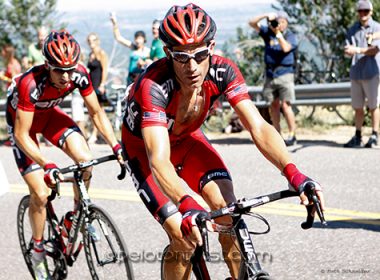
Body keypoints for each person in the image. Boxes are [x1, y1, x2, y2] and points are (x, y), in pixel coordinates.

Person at [120, 4, 324, 280]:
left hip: (188, 140)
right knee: (184, 236)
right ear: (168, 53)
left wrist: (293, 172)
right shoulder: (154, 85)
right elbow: (158, 159)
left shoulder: (223, 71)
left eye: (201, 54)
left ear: (212, 47)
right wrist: (184, 201)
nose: (192, 66)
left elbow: (259, 127)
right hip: (144, 152)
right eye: (181, 57)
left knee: (228, 214)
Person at [5, 30, 123, 279]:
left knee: (86, 161)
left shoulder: (78, 75)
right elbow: (23, 135)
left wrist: (116, 146)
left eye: (70, 69)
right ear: (47, 65)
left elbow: (96, 113)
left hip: (49, 118)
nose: (67, 76)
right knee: (41, 191)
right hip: (22, 126)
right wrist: (45, 163)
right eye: (59, 70)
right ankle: (37, 250)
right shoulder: (31, 84)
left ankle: (79, 218)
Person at [249, 11, 298, 146]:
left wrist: (278, 33)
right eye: (277, 21)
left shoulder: (290, 36)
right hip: (270, 73)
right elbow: (252, 23)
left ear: (286, 23)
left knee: (286, 105)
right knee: (273, 105)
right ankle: (277, 134)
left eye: (282, 22)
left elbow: (286, 48)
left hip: (285, 73)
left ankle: (292, 134)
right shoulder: (267, 33)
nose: (279, 24)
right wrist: (265, 15)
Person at [344, 0, 380, 148]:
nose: (363, 14)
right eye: (360, 11)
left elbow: (375, 50)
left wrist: (358, 50)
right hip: (356, 73)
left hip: (371, 72)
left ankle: (374, 135)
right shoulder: (352, 29)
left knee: (373, 105)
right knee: (358, 107)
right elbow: (347, 49)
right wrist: (348, 51)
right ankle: (358, 135)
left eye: (366, 11)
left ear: (370, 12)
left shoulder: (377, 28)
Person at [110, 13, 151, 85]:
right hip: (130, 78)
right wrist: (114, 24)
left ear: (144, 39)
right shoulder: (133, 47)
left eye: (140, 38)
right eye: (136, 38)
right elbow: (119, 38)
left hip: (141, 78)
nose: (138, 41)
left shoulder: (147, 51)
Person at [86, 32, 109, 144]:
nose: (91, 42)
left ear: (97, 41)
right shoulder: (91, 55)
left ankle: (96, 134)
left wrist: (102, 84)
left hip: (98, 85)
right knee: (94, 110)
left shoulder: (101, 53)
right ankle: (100, 134)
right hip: (91, 84)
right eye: (89, 41)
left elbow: (105, 69)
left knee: (98, 111)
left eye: (93, 40)